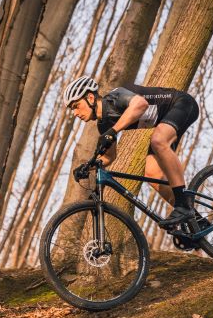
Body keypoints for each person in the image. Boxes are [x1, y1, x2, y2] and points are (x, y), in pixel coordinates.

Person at [64, 76, 199, 226]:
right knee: (151, 172)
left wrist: (113, 131)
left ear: (90, 98)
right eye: (72, 109)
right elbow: (110, 156)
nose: (75, 113)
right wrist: (89, 166)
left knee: (158, 140)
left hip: (182, 104)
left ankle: (184, 206)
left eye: (76, 106)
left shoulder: (115, 97)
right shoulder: (103, 124)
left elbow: (141, 104)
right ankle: (197, 221)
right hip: (164, 121)